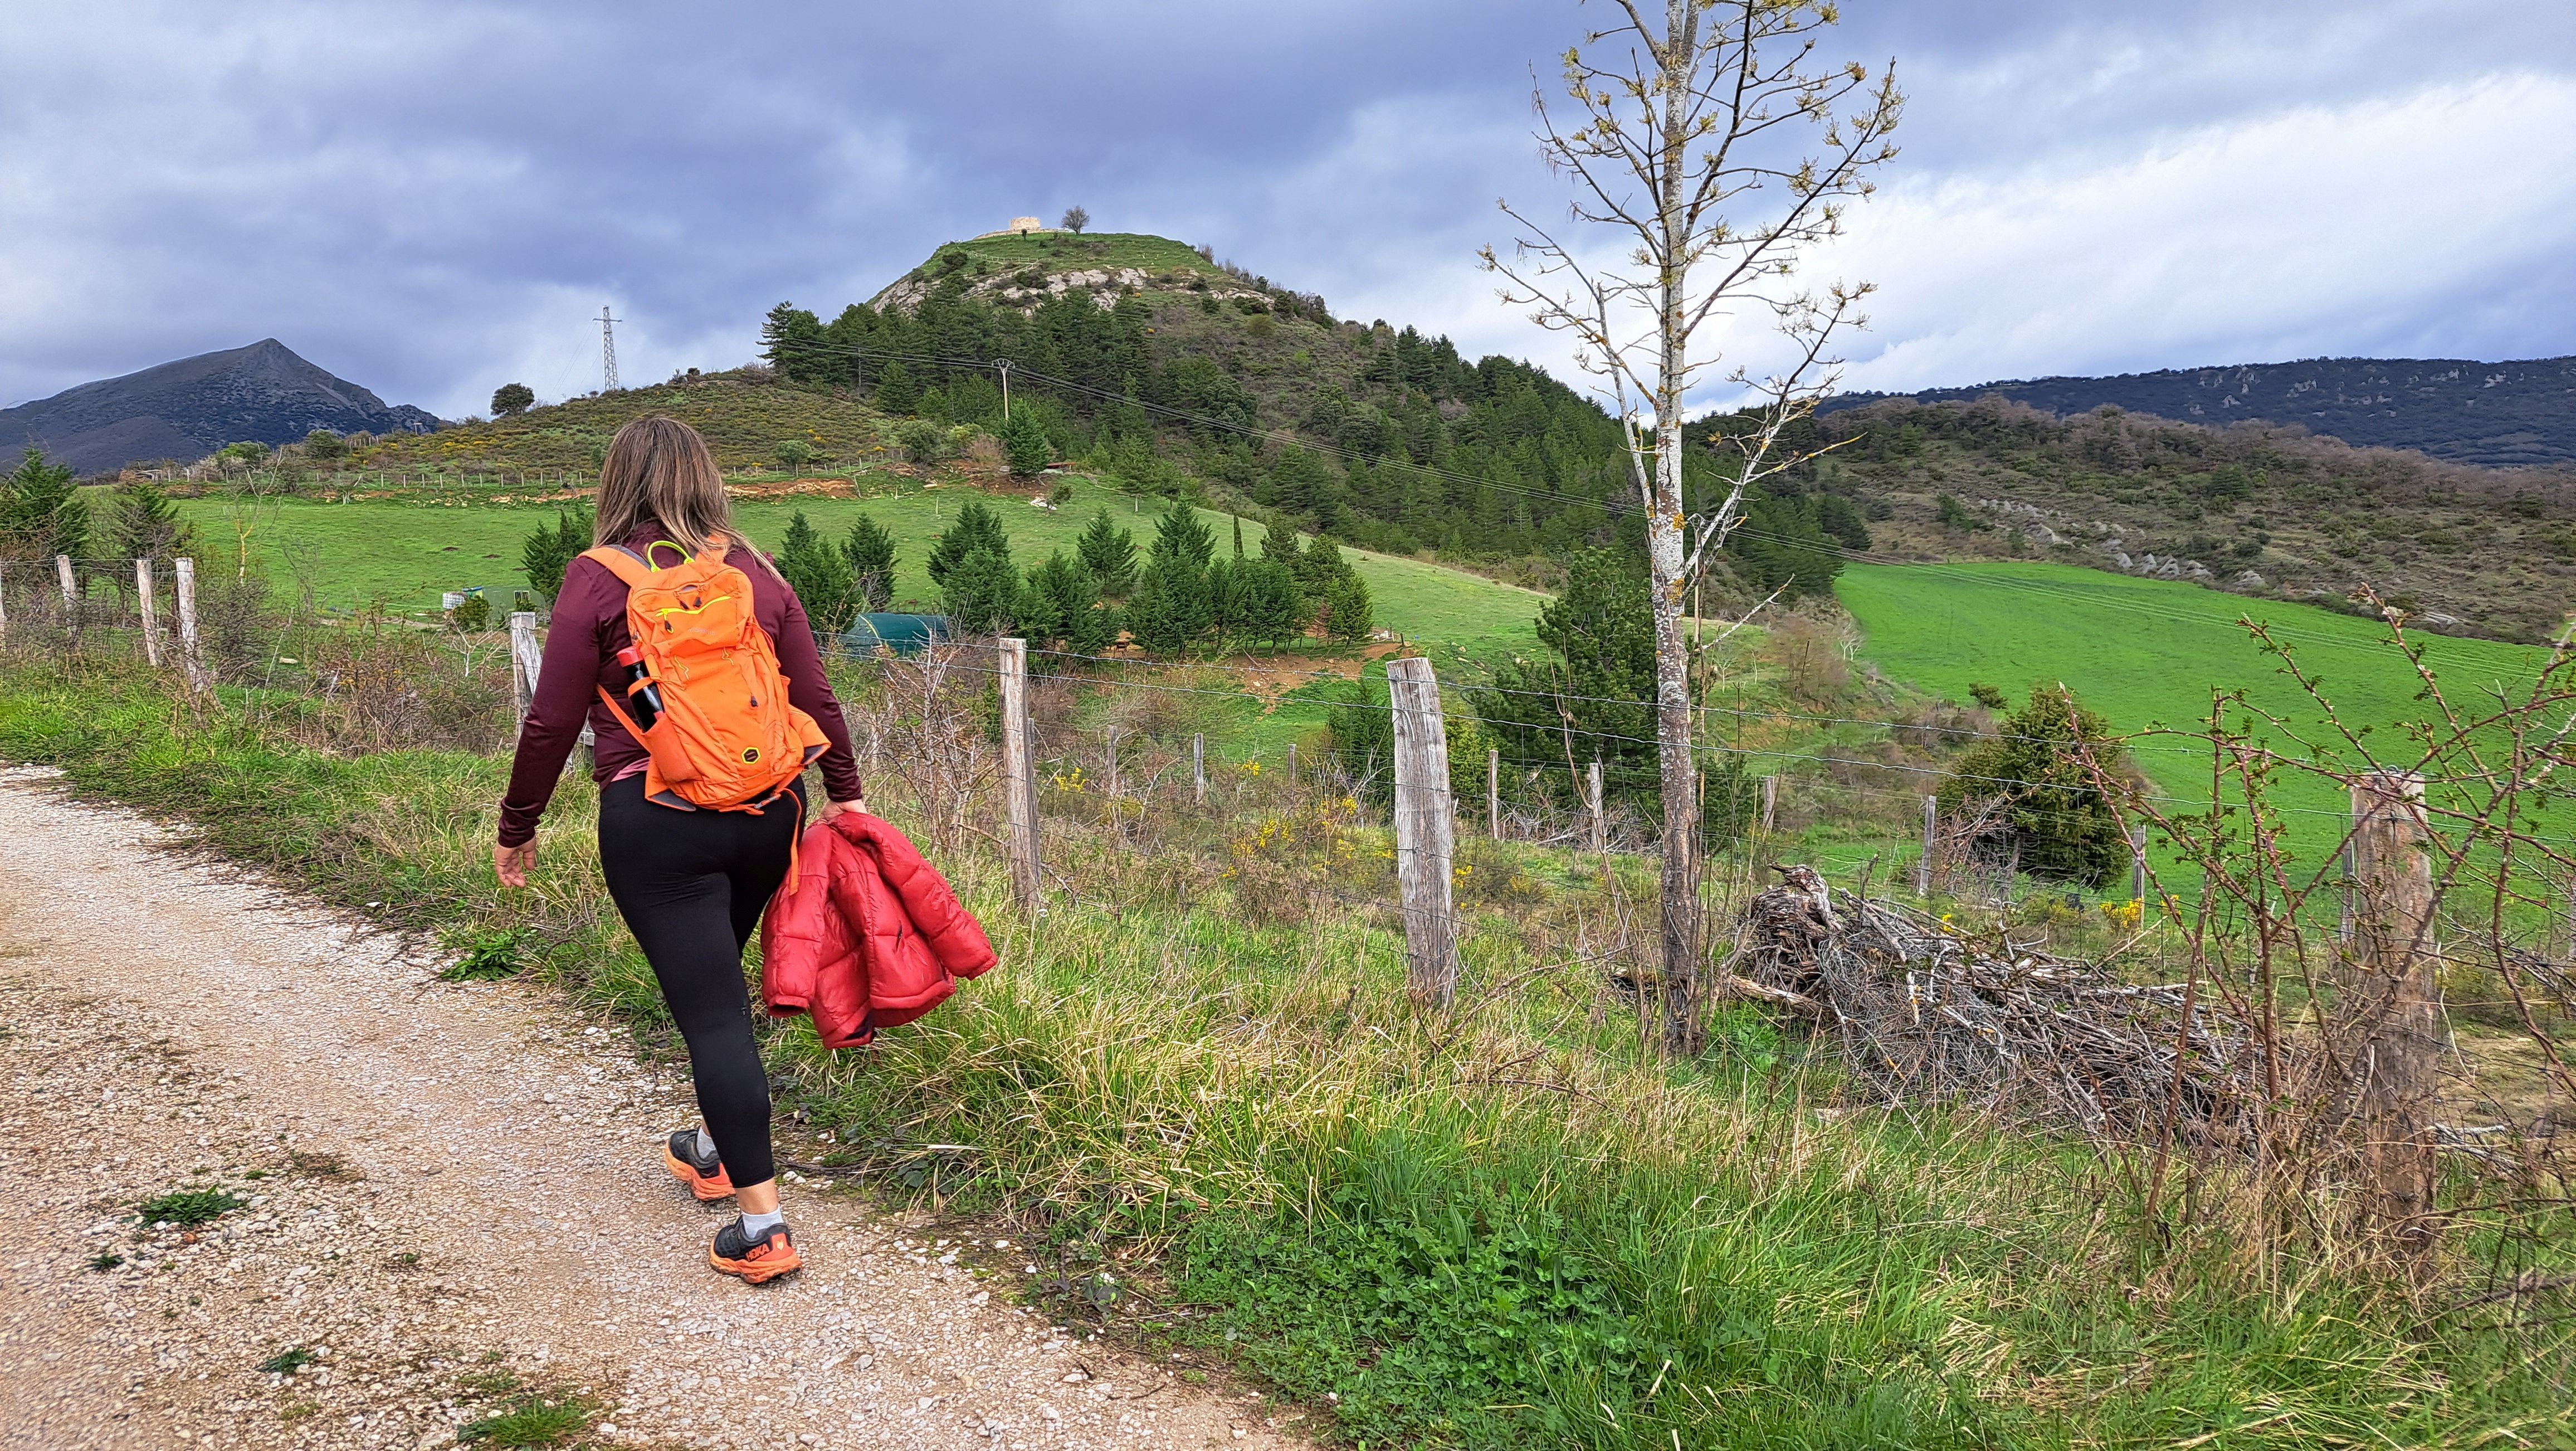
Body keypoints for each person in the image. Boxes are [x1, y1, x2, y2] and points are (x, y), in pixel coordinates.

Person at [492, 415, 865, 1284]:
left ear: (616, 483)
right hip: (771, 814)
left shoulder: (597, 579)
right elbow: (816, 694)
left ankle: (761, 1223)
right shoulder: (755, 575)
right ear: (707, 478)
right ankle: (710, 1148)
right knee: (717, 993)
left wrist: (519, 825)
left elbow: (550, 721)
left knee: (711, 1014)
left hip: (656, 823)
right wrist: (845, 791)